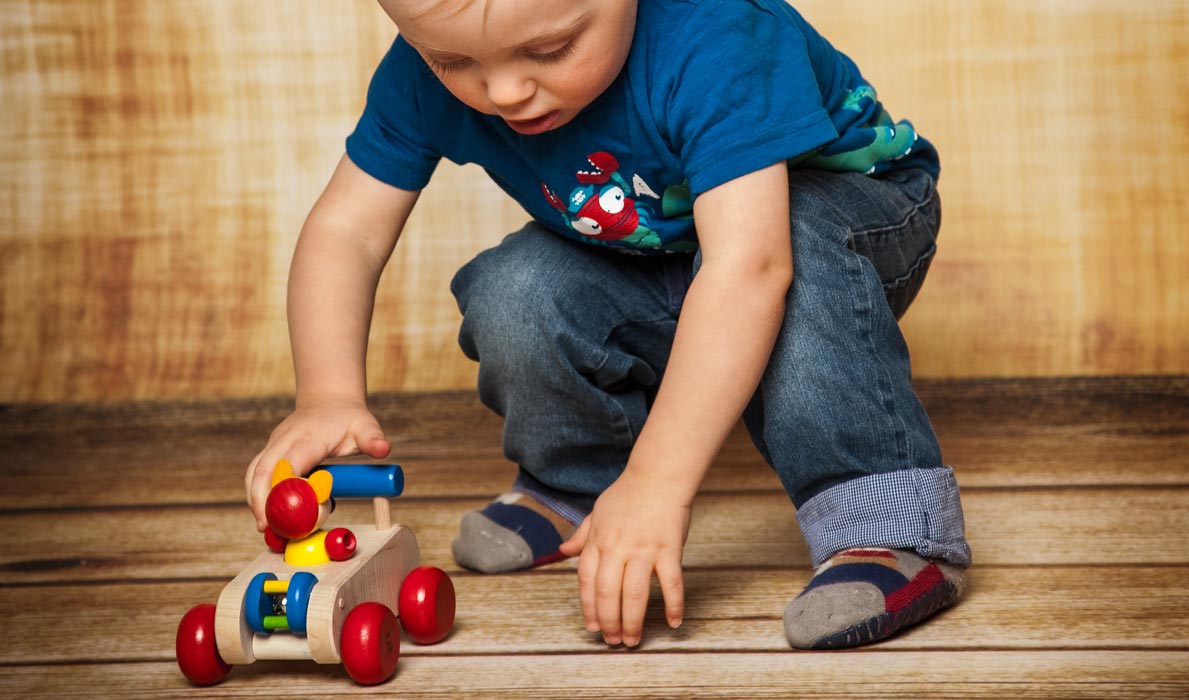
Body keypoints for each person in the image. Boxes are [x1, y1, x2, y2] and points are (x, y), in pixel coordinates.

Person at [244, 0, 971, 650]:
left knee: (796, 238)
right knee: (518, 284)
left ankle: (889, 527)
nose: (503, 91)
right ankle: (580, 481)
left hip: (847, 228)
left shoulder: (721, 35)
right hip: (662, 254)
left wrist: (661, 480)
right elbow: (348, 230)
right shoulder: (422, 75)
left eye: (552, 50)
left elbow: (751, 269)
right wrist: (327, 393)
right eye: (452, 61)